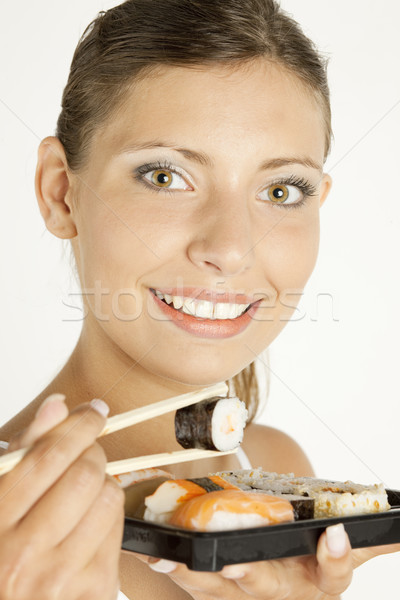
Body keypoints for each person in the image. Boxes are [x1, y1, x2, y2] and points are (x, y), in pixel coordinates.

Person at [0, 0, 398, 598]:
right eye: (165, 176)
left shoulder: (274, 471)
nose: (231, 249)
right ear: (60, 192)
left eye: (282, 189)